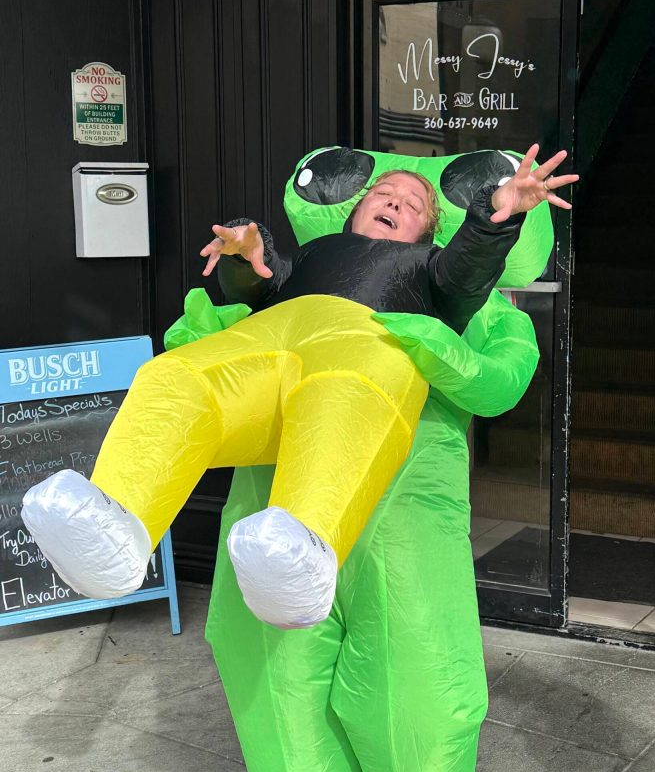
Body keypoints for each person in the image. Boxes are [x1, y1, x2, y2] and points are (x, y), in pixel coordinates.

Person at [21, 143, 575, 633]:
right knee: (176, 374)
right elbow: (262, 285)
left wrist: (496, 217)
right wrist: (245, 253)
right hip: (272, 339)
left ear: (428, 233)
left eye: (412, 204)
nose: (394, 201)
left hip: (358, 346)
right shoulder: (316, 253)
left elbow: (468, 271)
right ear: (354, 209)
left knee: (345, 394)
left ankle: (298, 550)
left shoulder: (431, 267)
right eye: (383, 193)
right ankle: (117, 529)